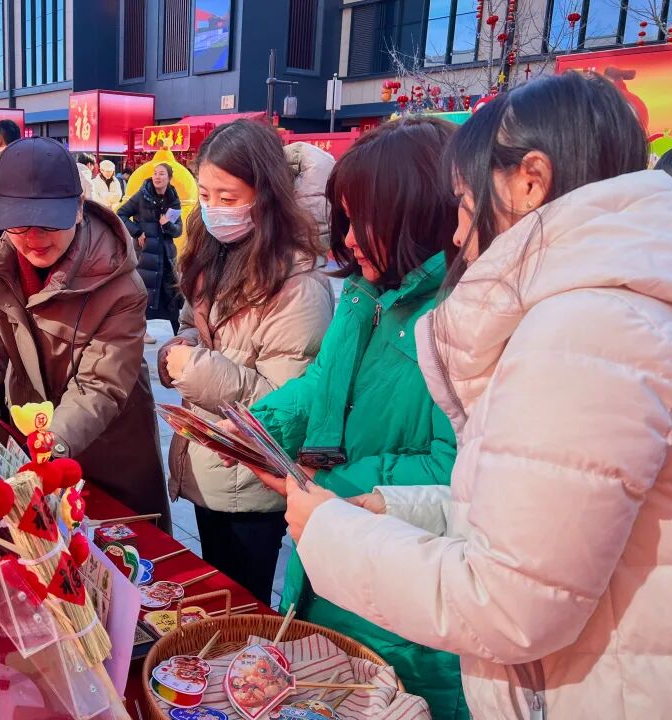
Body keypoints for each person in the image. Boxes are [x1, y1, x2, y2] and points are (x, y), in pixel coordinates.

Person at [276, 71, 672, 718]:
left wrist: (332, 530)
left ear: (529, 181)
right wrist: (392, 504)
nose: (457, 232)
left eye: (465, 201)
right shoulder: (626, 309)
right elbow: (534, 519)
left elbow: (509, 602)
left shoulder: (588, 330)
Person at [233, 117, 467, 718]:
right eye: (345, 218)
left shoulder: (461, 319)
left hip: (401, 589)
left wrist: (329, 482)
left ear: (418, 213)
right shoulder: (365, 293)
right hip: (332, 555)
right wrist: (261, 427)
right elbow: (325, 384)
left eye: (365, 220)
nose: (351, 239)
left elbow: (456, 470)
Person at [0, 136, 171, 529]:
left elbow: (100, 386)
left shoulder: (120, 284)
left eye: (50, 223)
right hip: (33, 443)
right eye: (19, 223)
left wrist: (47, 445)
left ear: (79, 207)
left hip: (108, 449)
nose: (34, 239)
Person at [157, 120, 334, 606]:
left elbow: (285, 403)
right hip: (211, 461)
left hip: (253, 481)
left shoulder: (298, 284)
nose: (214, 207)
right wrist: (180, 348)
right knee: (214, 599)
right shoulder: (215, 250)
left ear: (266, 195)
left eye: (228, 197)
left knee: (243, 606)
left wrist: (194, 369)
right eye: (205, 194)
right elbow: (196, 325)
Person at [116, 162, 183, 340]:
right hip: (146, 254)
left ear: (169, 178)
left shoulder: (173, 199)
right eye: (155, 173)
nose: (157, 177)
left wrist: (167, 225)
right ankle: (141, 330)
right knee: (144, 292)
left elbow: (178, 230)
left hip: (166, 255)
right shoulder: (142, 195)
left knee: (170, 293)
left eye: (161, 174)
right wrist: (137, 231)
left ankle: (179, 332)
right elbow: (121, 213)